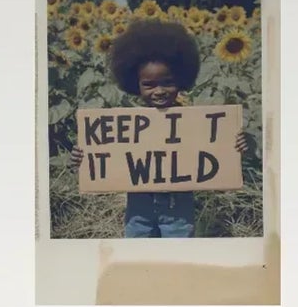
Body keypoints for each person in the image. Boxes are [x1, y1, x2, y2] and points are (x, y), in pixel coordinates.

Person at [105, 19, 248, 239]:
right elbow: (107, 154)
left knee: (178, 256)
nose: (159, 91)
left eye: (167, 82)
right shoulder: (128, 125)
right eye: (149, 85)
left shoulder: (194, 121)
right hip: (138, 208)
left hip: (177, 210)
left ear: (181, 80)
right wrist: (83, 157)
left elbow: (215, 146)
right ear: (135, 84)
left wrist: (234, 144)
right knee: (137, 256)